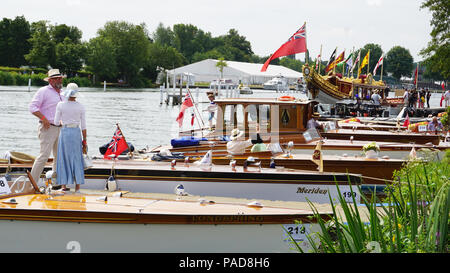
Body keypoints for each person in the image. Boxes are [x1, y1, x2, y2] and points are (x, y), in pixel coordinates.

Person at [28, 69, 65, 185]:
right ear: (50, 80)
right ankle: (33, 184)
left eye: (60, 78)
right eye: (56, 78)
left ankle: (55, 183)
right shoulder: (43, 91)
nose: (59, 80)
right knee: (43, 156)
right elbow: (32, 107)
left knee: (59, 157)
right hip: (48, 128)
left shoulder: (62, 93)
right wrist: (43, 119)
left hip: (60, 128)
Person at [54, 83, 87, 192]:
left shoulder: (60, 105)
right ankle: (77, 187)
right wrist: (84, 141)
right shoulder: (81, 106)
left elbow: (55, 122)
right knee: (77, 158)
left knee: (63, 158)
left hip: (65, 132)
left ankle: (63, 186)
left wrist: (63, 122)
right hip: (76, 132)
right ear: (76, 94)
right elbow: (84, 126)